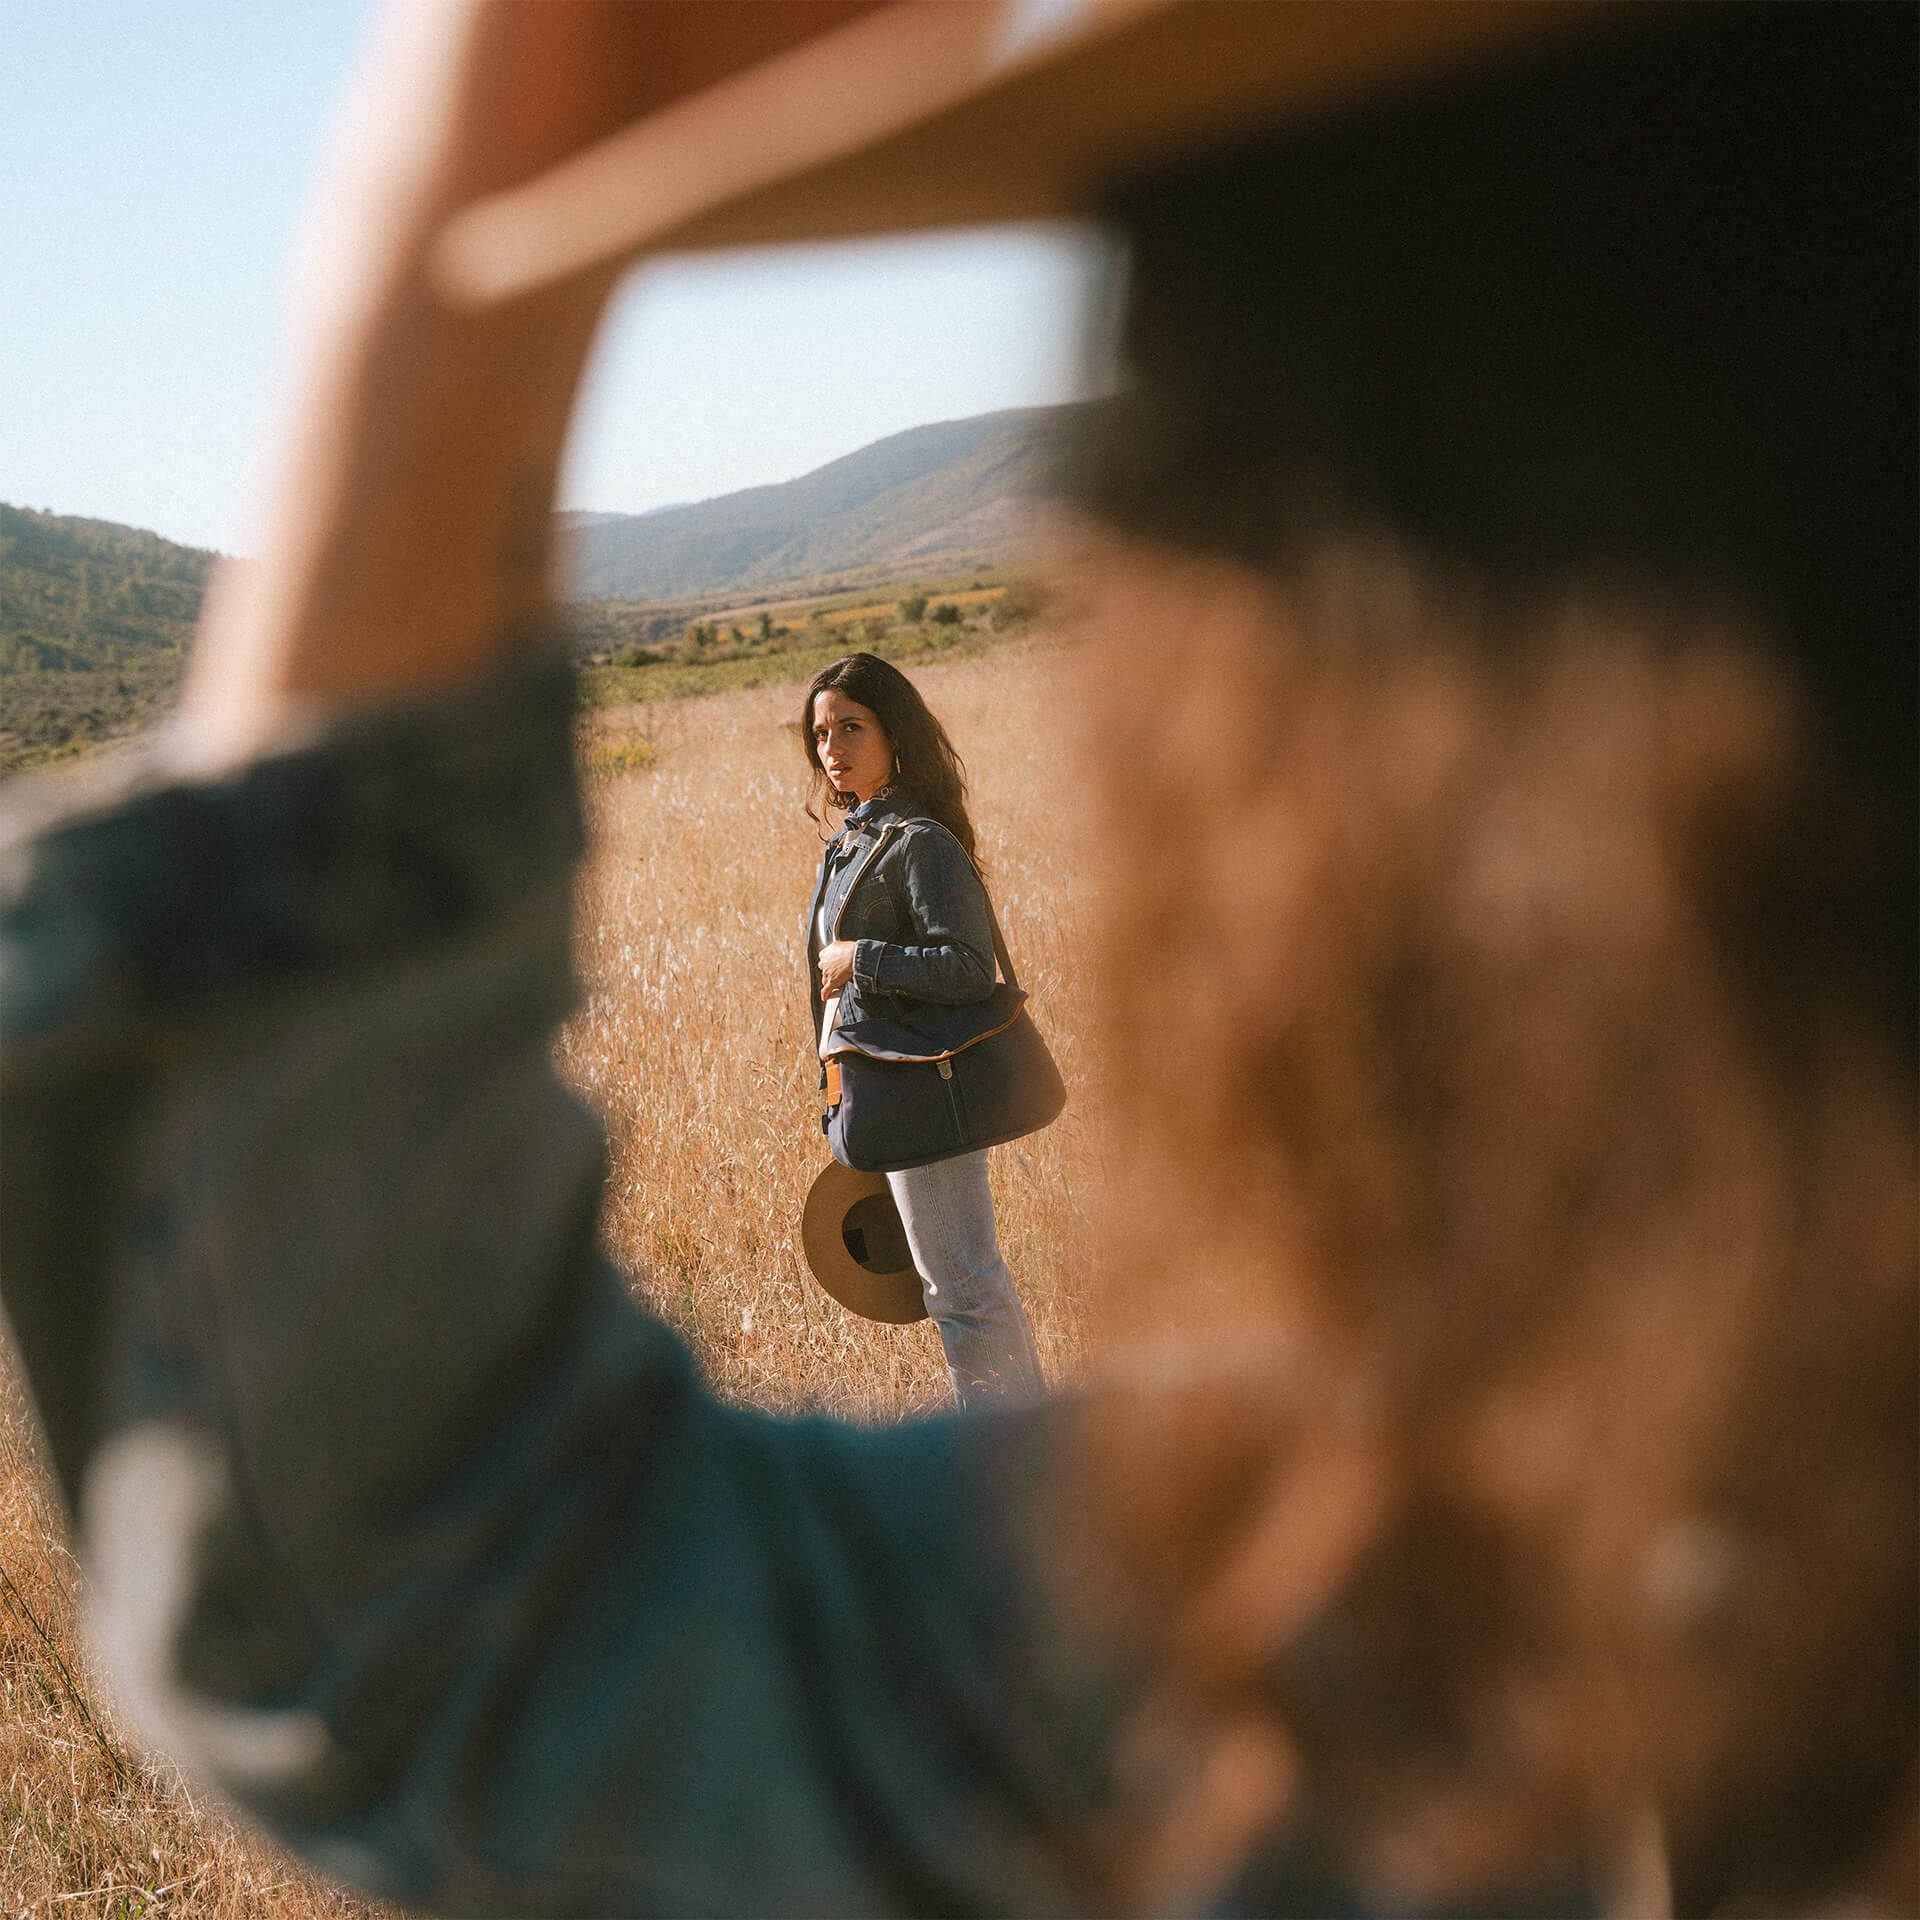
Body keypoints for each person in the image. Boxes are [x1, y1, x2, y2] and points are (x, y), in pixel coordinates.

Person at [0, 4, 1912, 1917]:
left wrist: (457, 233)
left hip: (920, 1088)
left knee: (972, 1293)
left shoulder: (1444, 1659)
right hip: (879, 1101)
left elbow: (430, 1604)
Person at [802, 652, 1045, 1408]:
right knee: (954, 1286)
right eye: (819, 733)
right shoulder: (855, 840)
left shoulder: (917, 840)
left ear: (893, 731)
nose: (832, 747)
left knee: (963, 1288)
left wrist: (859, 957)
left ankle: (1017, 1469)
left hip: (928, 1089)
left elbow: (971, 968)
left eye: (851, 726)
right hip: (890, 1090)